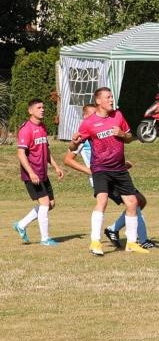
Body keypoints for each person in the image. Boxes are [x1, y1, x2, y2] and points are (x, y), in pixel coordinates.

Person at [72, 87, 151, 256]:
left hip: (119, 169)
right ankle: (95, 242)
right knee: (102, 201)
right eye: (107, 97)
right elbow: (73, 147)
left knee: (132, 203)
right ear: (98, 101)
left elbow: (129, 138)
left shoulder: (118, 115)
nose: (111, 100)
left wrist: (122, 134)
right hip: (100, 168)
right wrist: (73, 143)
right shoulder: (89, 123)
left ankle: (131, 243)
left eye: (111, 97)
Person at [13, 98, 64, 246]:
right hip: (32, 174)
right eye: (39, 107)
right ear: (30, 111)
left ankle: (21, 225)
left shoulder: (42, 127)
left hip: (42, 173)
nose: (42, 110)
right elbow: (21, 154)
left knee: (50, 204)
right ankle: (45, 239)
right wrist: (31, 173)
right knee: (44, 203)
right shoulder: (26, 129)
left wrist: (55, 166)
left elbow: (46, 150)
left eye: (43, 107)